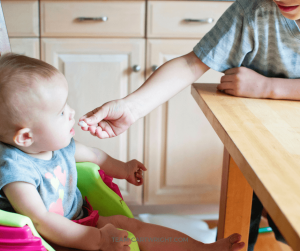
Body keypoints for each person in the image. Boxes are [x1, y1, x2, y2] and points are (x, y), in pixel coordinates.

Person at [79, 0, 300, 250]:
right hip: (256, 141)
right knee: (245, 223)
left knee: (289, 227)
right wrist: (131, 107)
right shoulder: (253, 10)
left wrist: (269, 87)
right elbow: (191, 63)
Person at [0, 53, 245, 251]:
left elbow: (96, 156)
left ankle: (201, 249)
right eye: (60, 112)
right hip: (48, 239)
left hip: (80, 220)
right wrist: (97, 240)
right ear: (25, 137)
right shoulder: (15, 171)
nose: (71, 112)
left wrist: (124, 169)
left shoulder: (58, 146)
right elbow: (41, 220)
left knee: (130, 226)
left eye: (67, 104)